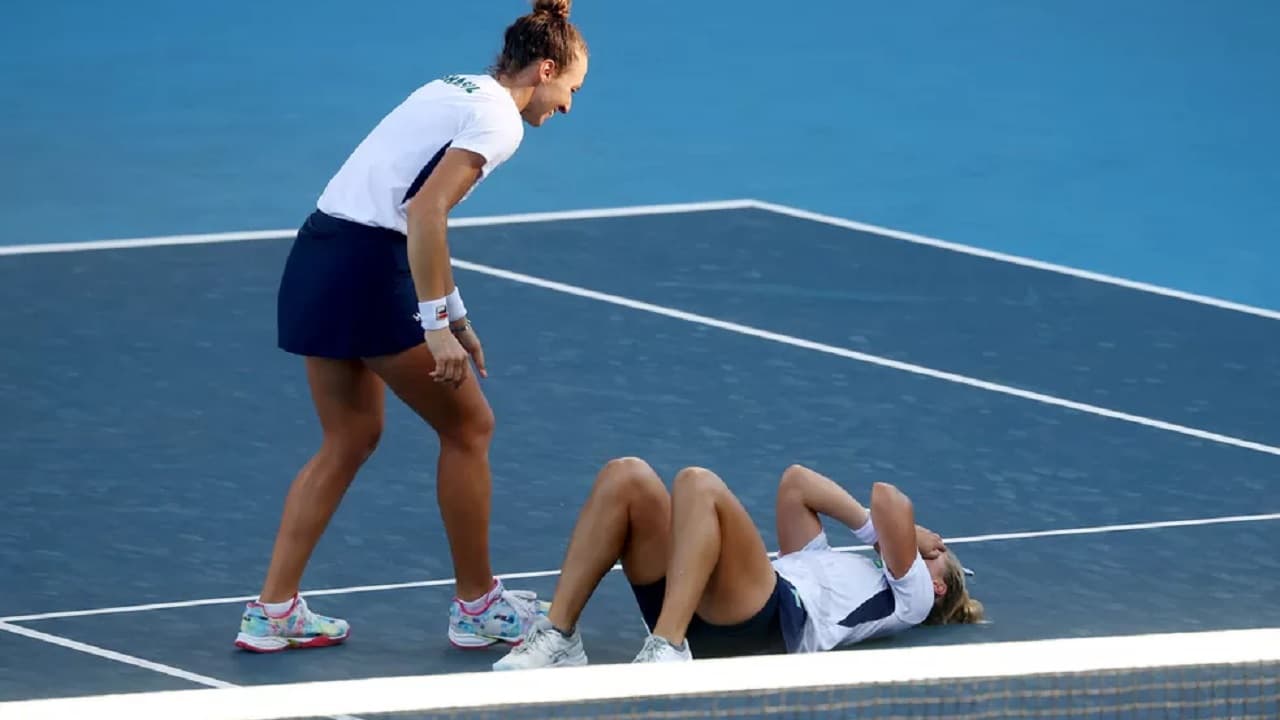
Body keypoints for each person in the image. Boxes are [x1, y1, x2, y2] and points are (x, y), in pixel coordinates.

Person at [234, 0, 589, 653]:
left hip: (320, 254)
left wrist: (456, 313)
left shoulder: (453, 87)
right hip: (371, 272)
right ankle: (478, 606)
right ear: (544, 70)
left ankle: (272, 610)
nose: (567, 106)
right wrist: (434, 327)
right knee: (470, 428)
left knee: (349, 436)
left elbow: (403, 212)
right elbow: (424, 213)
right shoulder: (498, 122)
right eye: (570, 89)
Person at [493, 458, 983, 669]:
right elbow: (796, 483)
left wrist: (914, 538)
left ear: (937, 586)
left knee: (697, 484)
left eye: (937, 557)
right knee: (628, 477)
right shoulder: (834, 568)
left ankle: (666, 646)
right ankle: (559, 636)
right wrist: (872, 536)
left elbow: (888, 499)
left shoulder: (913, 600)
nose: (929, 551)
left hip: (767, 625)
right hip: (719, 605)